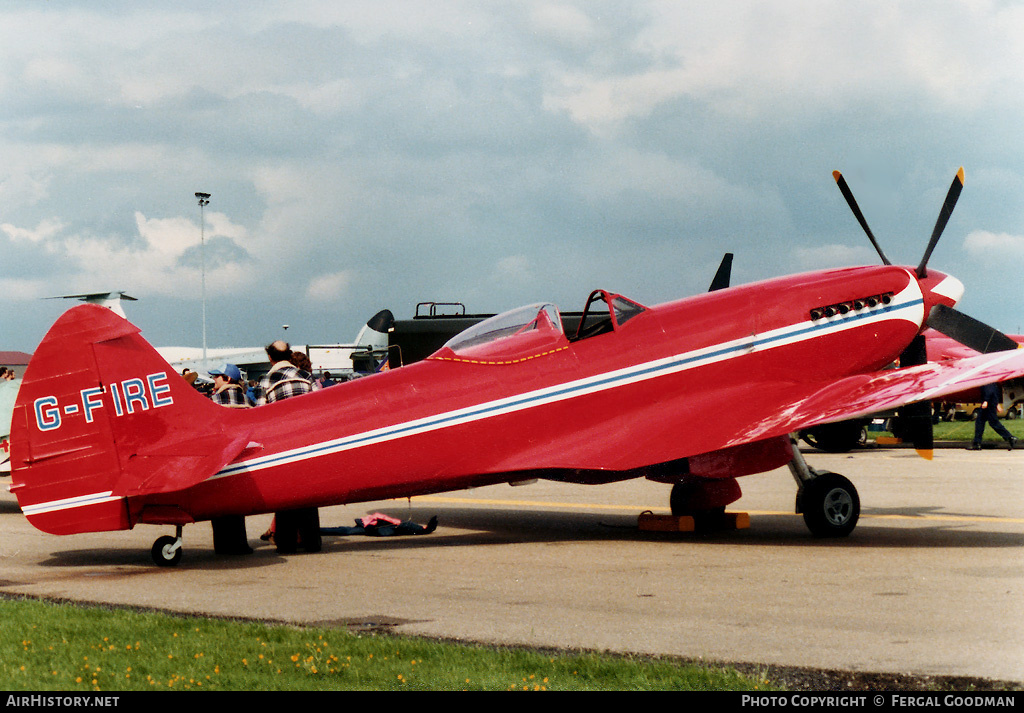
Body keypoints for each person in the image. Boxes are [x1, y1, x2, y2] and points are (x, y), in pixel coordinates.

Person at [256, 341, 319, 553]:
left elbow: (260, 414)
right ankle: (311, 541)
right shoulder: (306, 376)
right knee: (309, 491)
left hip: (283, 441)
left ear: (270, 358)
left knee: (285, 493)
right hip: (308, 440)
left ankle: (286, 542)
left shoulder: (267, 380)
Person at [257, 341, 313, 406]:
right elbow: (318, 401)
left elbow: (260, 409)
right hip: (305, 414)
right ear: (289, 356)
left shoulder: (265, 381)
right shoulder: (306, 376)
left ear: (270, 357)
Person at [970, 382, 1018, 450]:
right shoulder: (993, 382)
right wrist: (997, 404)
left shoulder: (986, 379)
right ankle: (977, 443)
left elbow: (988, 390)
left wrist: (986, 401)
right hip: (991, 403)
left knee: (992, 422)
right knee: (981, 422)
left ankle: (1010, 438)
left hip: (989, 404)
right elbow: (995, 391)